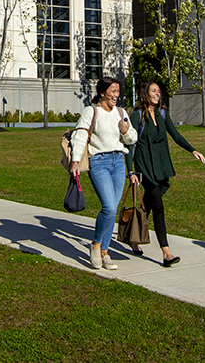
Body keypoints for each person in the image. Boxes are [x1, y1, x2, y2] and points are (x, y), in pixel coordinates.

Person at [127, 81, 205, 266]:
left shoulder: (162, 114)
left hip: (161, 163)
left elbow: (175, 135)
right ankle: (166, 253)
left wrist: (193, 150)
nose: (158, 93)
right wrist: (130, 171)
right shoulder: (136, 116)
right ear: (145, 93)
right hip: (145, 165)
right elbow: (130, 144)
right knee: (158, 206)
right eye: (154, 91)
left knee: (148, 203)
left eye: (159, 91)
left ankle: (133, 235)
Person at [69, 76, 138, 270]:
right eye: (113, 91)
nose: (116, 95)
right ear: (102, 92)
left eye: (118, 91)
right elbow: (80, 136)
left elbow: (133, 138)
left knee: (113, 209)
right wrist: (75, 161)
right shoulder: (91, 111)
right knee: (108, 207)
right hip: (99, 162)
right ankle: (96, 244)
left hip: (118, 162)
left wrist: (125, 131)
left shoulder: (121, 112)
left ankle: (105, 252)